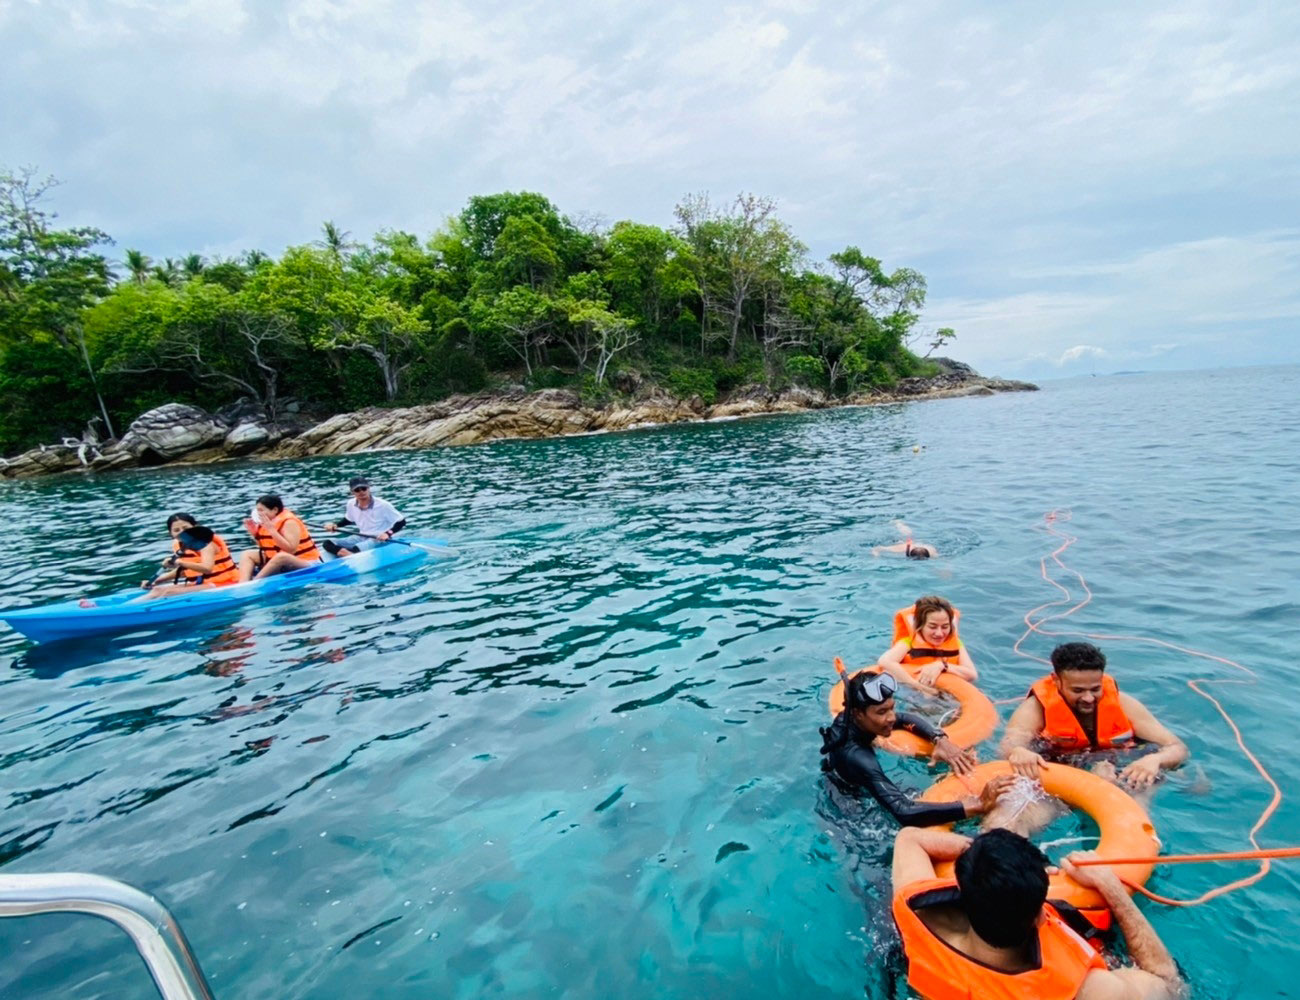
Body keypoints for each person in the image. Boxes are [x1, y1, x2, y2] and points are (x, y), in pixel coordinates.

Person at [891, 826, 1182, 999]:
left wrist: (988, 859)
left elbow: (909, 838)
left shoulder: (912, 911)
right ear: (1039, 917)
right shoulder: (1086, 990)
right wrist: (1112, 890)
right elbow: (1171, 985)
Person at [820, 668, 1012, 825]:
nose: (892, 717)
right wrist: (976, 805)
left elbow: (903, 719)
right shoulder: (858, 757)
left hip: (857, 781)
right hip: (850, 807)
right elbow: (903, 812)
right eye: (881, 712)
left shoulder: (851, 718)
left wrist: (939, 739)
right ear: (858, 714)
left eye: (891, 707)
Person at [1001, 642, 1188, 789]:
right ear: (1056, 680)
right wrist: (1019, 751)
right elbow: (1010, 743)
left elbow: (1177, 747)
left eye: (1095, 689)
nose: (1089, 698)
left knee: (1192, 783)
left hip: (1119, 762)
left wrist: (1154, 761)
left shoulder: (1124, 703)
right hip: (1063, 767)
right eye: (1078, 690)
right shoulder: (1035, 708)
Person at [877, 595, 978, 688]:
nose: (939, 633)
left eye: (945, 627)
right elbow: (885, 661)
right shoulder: (908, 643)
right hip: (913, 694)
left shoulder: (956, 643)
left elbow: (972, 675)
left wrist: (941, 666)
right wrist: (917, 686)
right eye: (932, 626)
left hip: (949, 692)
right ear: (920, 626)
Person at [235, 494, 321, 581]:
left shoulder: (289, 522)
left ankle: (256, 582)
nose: (258, 514)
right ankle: (243, 583)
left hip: (307, 562)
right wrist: (254, 534)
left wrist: (272, 531)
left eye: (261, 510)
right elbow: (266, 547)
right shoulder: (266, 522)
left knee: (281, 557)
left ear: (275, 510)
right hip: (276, 559)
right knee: (247, 554)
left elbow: (290, 550)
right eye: (257, 511)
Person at [143, 524, 240, 598]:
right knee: (157, 589)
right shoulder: (181, 545)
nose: (181, 532)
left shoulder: (207, 545)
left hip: (226, 582)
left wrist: (179, 562)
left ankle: (137, 613)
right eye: (176, 530)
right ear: (171, 534)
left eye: (185, 528)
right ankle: (130, 609)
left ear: (194, 528)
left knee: (169, 593)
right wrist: (157, 580)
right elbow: (186, 571)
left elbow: (207, 569)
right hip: (204, 583)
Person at [321, 476, 406, 557]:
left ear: (369, 488)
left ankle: (350, 556)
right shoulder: (351, 504)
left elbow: (401, 521)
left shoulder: (383, 505)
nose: (361, 492)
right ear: (352, 492)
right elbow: (348, 519)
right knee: (327, 543)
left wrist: (387, 534)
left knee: (356, 548)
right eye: (357, 490)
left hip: (378, 538)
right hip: (361, 536)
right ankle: (347, 555)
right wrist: (336, 525)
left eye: (364, 488)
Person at [872, 520, 938, 559]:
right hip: (902, 544)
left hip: (913, 544)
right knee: (907, 535)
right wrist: (876, 556)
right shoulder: (899, 549)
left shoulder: (931, 551)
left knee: (909, 535)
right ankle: (898, 523)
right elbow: (877, 548)